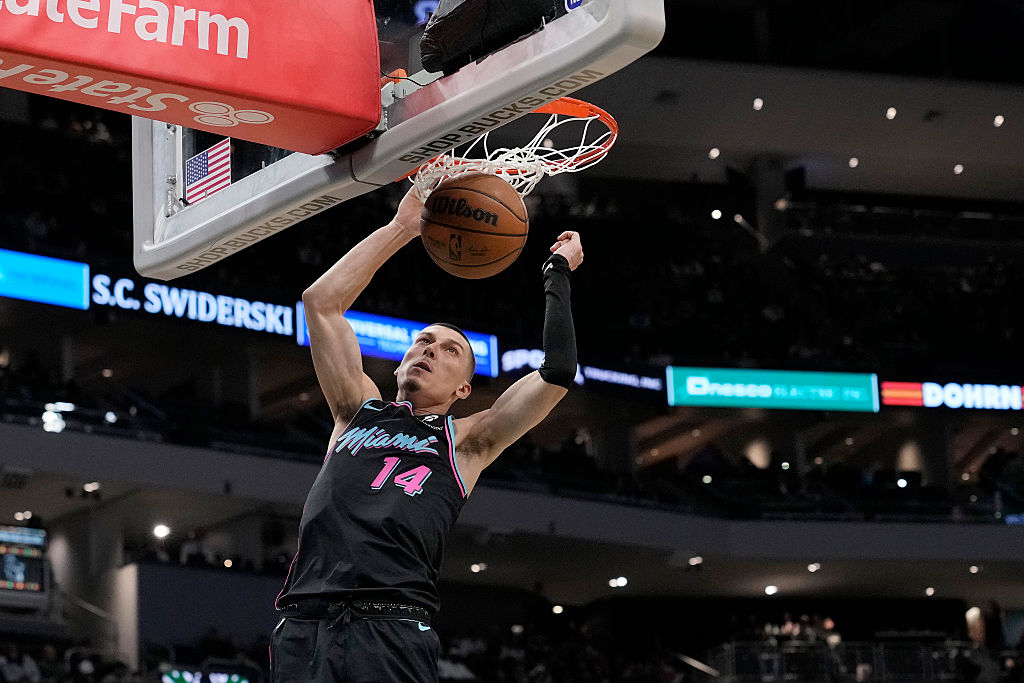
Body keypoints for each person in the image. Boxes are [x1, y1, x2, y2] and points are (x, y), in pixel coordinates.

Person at [270, 186, 583, 682]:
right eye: (423, 341)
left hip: (390, 626)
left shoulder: (467, 440)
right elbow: (321, 303)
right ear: (400, 362)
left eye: (449, 349)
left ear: (463, 389)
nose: (430, 350)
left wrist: (557, 273)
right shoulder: (355, 411)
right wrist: (401, 228)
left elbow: (557, 373)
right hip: (304, 622)